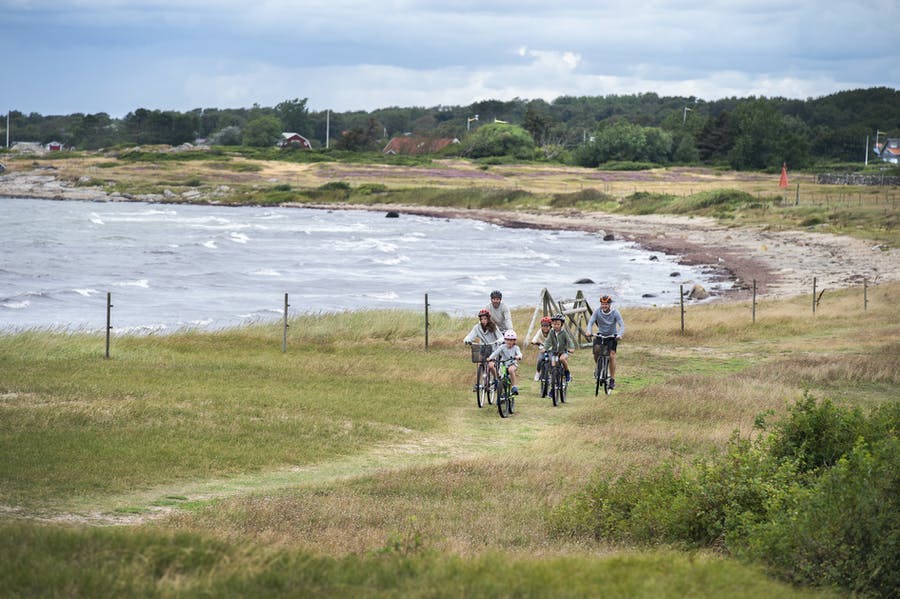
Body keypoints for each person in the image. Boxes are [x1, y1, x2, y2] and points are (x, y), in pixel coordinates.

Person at [586, 294, 625, 390]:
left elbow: (622, 325)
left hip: (612, 337)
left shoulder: (615, 312)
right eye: (602, 304)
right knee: (596, 351)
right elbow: (591, 322)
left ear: (609, 304)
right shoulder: (597, 312)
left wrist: (619, 334)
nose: (604, 306)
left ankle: (612, 379)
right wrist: (589, 331)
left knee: (611, 356)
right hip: (601, 335)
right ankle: (599, 368)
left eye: (606, 304)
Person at [487, 329, 523, 395]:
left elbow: (519, 354)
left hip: (512, 364)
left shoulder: (516, 348)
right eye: (507, 340)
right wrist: (490, 358)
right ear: (505, 340)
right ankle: (501, 393)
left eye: (511, 340)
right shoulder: (502, 347)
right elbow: (496, 353)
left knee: (510, 370)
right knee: (501, 377)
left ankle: (514, 387)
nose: (509, 342)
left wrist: (518, 357)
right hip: (503, 364)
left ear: (514, 341)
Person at [544, 313, 575, 383]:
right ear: (552, 324)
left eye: (558, 324)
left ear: (561, 324)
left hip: (563, 352)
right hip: (554, 352)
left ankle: (567, 373)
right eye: (554, 324)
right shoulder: (551, 332)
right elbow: (548, 341)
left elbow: (569, 341)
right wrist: (545, 348)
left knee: (562, 359)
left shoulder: (564, 333)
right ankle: (553, 380)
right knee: (552, 364)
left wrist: (571, 348)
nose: (556, 326)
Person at [530, 315, 552, 381]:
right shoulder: (540, 331)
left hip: (551, 348)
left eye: (547, 326)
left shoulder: (552, 332)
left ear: (550, 326)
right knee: (540, 359)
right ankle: (537, 372)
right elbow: (535, 338)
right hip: (542, 348)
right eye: (543, 326)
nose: (545, 328)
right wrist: (534, 341)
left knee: (551, 359)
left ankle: (551, 374)